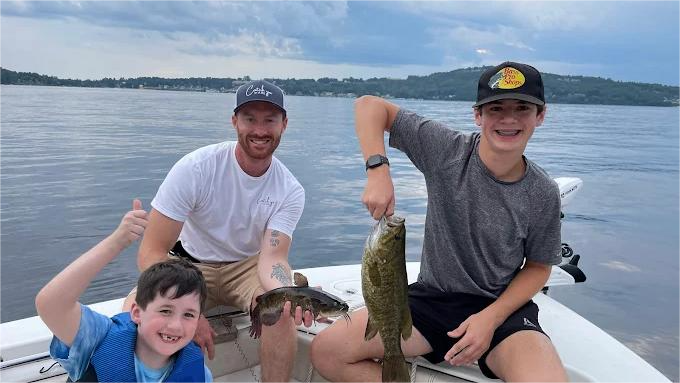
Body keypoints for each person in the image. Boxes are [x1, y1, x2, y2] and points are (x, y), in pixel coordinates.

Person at [311, 62, 568, 382]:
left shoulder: (543, 192)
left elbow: (539, 267)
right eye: (496, 108)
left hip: (501, 309)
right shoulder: (448, 151)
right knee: (327, 350)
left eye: (522, 108)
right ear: (478, 115)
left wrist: (489, 319)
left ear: (540, 116)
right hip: (431, 302)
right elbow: (369, 106)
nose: (508, 118)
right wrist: (378, 171)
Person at [132, 80, 308, 383]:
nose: (260, 130)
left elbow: (273, 257)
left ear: (285, 124)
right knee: (138, 312)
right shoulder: (197, 168)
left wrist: (288, 292)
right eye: (250, 118)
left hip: (246, 266)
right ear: (234, 121)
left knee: (279, 312)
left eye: (270, 120)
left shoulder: (289, 189)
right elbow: (152, 252)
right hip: (187, 266)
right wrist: (185, 311)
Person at [36, 199, 212, 382]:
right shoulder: (98, 339)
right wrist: (117, 241)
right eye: (165, 310)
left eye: (189, 315)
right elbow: (51, 304)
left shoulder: (200, 375)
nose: (176, 325)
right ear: (136, 312)